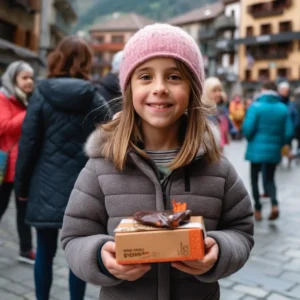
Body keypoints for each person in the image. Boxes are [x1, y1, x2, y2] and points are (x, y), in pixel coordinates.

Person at [60, 24, 254, 300]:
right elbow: (73, 238)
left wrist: (219, 251)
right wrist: (100, 258)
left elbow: (241, 230)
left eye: (174, 76)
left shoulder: (216, 166)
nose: (160, 88)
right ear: (129, 89)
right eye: (146, 76)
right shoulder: (101, 166)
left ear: (193, 89)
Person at [14, 36, 111, 300]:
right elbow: (111, 136)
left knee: (44, 251)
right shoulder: (93, 96)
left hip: (44, 184)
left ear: (58, 57)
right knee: (77, 254)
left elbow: (28, 143)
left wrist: (21, 187)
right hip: (82, 188)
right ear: (85, 62)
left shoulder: (41, 94)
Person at [242, 81, 294, 221]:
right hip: (274, 150)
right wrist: (281, 142)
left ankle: (257, 208)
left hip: (255, 149)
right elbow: (289, 132)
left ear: (263, 90)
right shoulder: (283, 108)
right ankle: (274, 204)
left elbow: (247, 129)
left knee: (254, 179)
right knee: (270, 179)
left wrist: (251, 139)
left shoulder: (255, 107)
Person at [0, 61, 35, 264]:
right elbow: (4, 126)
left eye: (31, 77)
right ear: (14, 79)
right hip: (4, 168)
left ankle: (25, 249)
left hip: (22, 167)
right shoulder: (4, 98)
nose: (29, 82)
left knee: (24, 211)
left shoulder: (27, 100)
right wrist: (28, 113)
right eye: (24, 78)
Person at [202, 77, 232, 152]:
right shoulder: (203, 110)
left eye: (219, 90)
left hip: (220, 146)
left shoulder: (221, 108)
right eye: (214, 91)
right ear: (206, 92)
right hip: (208, 150)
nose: (218, 93)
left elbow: (228, 123)